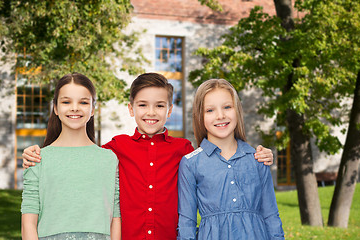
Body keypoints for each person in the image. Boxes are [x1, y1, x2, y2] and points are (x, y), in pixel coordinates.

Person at [22, 73, 274, 240]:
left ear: (170, 110)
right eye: (142, 105)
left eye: (159, 105)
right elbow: (80, 155)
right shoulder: (114, 149)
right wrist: (35, 153)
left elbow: (218, 159)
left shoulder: (185, 150)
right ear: (131, 109)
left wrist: (258, 153)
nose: (151, 112)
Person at [177, 79, 284, 239]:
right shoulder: (191, 163)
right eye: (210, 110)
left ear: (237, 111)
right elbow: (187, 223)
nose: (220, 116)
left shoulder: (258, 159)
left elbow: (271, 216)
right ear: (200, 116)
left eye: (227, 107)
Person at [21, 73, 121, 240]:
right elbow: (28, 223)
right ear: (55, 108)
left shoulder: (109, 159)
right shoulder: (38, 158)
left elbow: (115, 218)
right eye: (66, 102)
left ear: (93, 109)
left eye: (83, 102)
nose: (75, 108)